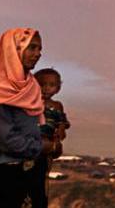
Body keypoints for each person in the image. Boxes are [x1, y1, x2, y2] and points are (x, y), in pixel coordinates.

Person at [0, 27, 57, 207]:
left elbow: (37, 128)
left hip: (34, 174)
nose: (38, 54)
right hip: (5, 177)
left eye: (40, 49)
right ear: (14, 49)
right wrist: (42, 146)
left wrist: (52, 144)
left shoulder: (32, 87)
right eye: (32, 47)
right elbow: (6, 140)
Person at [31, 68, 71, 207]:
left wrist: (61, 130)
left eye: (51, 85)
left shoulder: (57, 105)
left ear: (58, 88)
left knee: (41, 175)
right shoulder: (30, 102)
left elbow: (62, 122)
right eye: (42, 85)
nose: (46, 88)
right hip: (32, 139)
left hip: (49, 140)